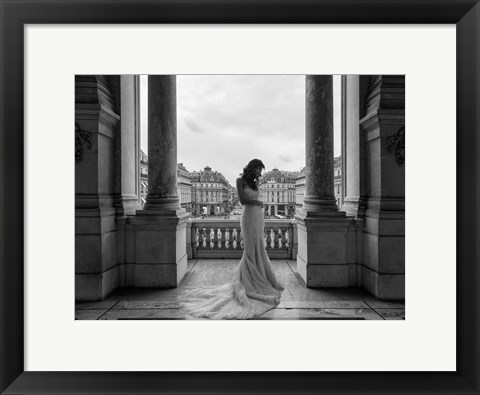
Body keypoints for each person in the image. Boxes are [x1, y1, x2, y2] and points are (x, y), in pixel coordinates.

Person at [179, 159, 284, 319]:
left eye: (260, 171)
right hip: (248, 215)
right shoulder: (240, 180)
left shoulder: (255, 182)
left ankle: (261, 277)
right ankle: (248, 281)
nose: (259, 174)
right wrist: (258, 202)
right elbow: (242, 200)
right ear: (251, 168)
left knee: (259, 245)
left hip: (258, 216)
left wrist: (258, 204)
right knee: (250, 248)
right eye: (257, 170)